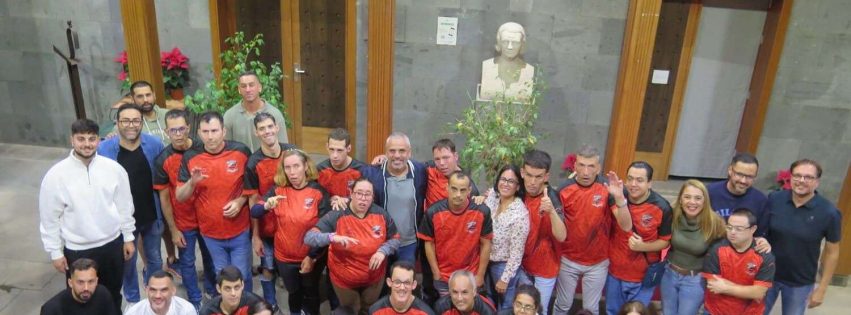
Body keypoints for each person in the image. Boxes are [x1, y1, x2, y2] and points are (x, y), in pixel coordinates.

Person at [39, 118, 135, 311]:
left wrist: (128, 237)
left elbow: (125, 206)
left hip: (112, 245)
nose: (87, 144)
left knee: (113, 294)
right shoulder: (55, 176)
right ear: (71, 140)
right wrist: (55, 252)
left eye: (91, 139)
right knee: (81, 298)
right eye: (81, 139)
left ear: (98, 140)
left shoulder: (114, 169)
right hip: (77, 250)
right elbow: (49, 218)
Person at [176, 111, 253, 292]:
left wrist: (240, 202)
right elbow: (180, 197)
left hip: (239, 229)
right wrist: (192, 182)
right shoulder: (190, 157)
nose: (210, 136)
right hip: (210, 233)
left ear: (223, 131)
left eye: (214, 131)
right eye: (205, 132)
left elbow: (253, 188)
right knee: (223, 277)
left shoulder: (241, 152)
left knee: (241, 275)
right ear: (200, 133)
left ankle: (246, 308)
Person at [97, 103, 165, 306]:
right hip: (123, 221)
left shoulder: (154, 144)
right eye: (125, 121)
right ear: (117, 123)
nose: (131, 125)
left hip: (152, 215)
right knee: (127, 263)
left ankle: (154, 296)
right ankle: (134, 302)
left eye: (136, 121)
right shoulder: (104, 149)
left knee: (155, 259)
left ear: (142, 123)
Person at [250, 149, 330, 315]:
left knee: (311, 293)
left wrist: (312, 257)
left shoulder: (318, 192)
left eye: (296, 166)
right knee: (293, 293)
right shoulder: (278, 191)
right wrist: (266, 206)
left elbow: (325, 231)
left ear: (305, 166)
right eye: (288, 167)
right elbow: (254, 212)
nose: (292, 172)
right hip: (284, 258)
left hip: (310, 257)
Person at [553, 145, 631, 315]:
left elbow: (626, 226)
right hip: (568, 259)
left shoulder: (607, 189)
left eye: (591, 166)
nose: (586, 172)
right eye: (581, 165)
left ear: (599, 167)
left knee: (591, 309)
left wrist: (619, 198)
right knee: (562, 305)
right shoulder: (564, 190)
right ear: (574, 166)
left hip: (598, 262)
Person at [305, 178, 401, 314]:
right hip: (344, 279)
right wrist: (331, 237)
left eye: (368, 194)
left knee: (369, 308)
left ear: (373, 197)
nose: (363, 198)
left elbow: (396, 238)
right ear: (351, 193)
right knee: (351, 310)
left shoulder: (381, 214)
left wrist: (383, 251)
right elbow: (309, 238)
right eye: (359, 193)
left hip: (374, 277)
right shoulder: (337, 214)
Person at [153, 109, 216, 310]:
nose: (178, 134)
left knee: (210, 258)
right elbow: (164, 198)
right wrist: (173, 229)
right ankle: (195, 300)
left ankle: (211, 291)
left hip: (207, 218)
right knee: (187, 262)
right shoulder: (163, 159)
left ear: (188, 128)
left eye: (182, 128)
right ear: (166, 132)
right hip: (183, 221)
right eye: (173, 130)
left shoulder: (203, 148)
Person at [764, 159, 841, 315]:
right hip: (766, 275)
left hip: (799, 282)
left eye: (808, 177)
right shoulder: (774, 199)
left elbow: (833, 253)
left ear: (817, 182)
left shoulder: (829, 212)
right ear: (790, 178)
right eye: (797, 176)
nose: (801, 181)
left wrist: (822, 289)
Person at [604, 162, 672, 315]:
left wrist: (643, 247)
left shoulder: (662, 207)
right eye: (630, 179)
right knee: (612, 311)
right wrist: (620, 199)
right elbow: (625, 225)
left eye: (640, 180)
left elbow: (665, 241)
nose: (633, 184)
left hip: (643, 276)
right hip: (616, 271)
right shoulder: (616, 196)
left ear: (649, 183)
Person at [244, 112, 296, 310]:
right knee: (267, 268)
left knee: (293, 268)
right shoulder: (253, 163)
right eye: (262, 129)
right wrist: (256, 236)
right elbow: (252, 201)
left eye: (269, 127)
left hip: (291, 226)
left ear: (277, 128)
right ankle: (270, 305)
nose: (267, 132)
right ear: (256, 133)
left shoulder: (292, 152)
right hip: (267, 228)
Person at [418, 172, 493, 296]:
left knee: (468, 309)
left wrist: (480, 275)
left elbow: (486, 244)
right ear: (447, 187)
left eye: (463, 190)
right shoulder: (433, 212)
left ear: (469, 190)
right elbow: (429, 244)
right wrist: (436, 273)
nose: (458, 194)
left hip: (471, 275)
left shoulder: (482, 211)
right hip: (444, 277)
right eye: (454, 189)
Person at [660, 180, 726, 315]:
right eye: (687, 197)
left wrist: (760, 242)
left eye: (698, 198)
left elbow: (730, 245)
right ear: (680, 199)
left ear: (705, 201)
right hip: (669, 273)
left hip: (694, 279)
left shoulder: (715, 222)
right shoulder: (671, 215)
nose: (692, 202)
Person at [363, 132, 428, 264]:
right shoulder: (372, 173)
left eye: (402, 151)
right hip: (381, 243)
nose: (397, 155)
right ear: (386, 153)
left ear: (409, 153)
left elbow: (444, 167)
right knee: (382, 283)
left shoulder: (420, 171)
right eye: (392, 151)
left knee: (404, 283)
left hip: (409, 244)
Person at [517, 150, 566, 315]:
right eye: (529, 175)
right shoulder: (519, 191)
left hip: (546, 268)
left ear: (546, 176)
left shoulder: (553, 197)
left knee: (538, 312)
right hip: (522, 266)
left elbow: (562, 236)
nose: (532, 181)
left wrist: (551, 211)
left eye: (538, 176)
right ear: (522, 172)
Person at [475, 165, 529, 309]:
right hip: (485, 261)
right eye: (503, 179)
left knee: (505, 306)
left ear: (518, 187)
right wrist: (481, 197)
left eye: (511, 181)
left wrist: (505, 279)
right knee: (488, 301)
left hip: (503, 266)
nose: (505, 183)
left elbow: (517, 253)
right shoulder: (493, 196)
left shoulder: (520, 214)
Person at [703, 208, 775, 315]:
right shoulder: (716, 249)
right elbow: (713, 284)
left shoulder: (764, 255)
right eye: (729, 227)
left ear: (753, 229)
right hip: (715, 310)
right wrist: (749, 291)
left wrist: (726, 288)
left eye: (739, 229)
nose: (732, 232)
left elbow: (759, 293)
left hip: (750, 312)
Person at [224, 71, 289, 152]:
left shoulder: (274, 114)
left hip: (266, 162)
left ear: (259, 87)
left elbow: (284, 148)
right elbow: (226, 149)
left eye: (251, 85)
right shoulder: (230, 116)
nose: (248, 90)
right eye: (243, 86)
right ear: (239, 90)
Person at [707, 153, 770, 236]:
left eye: (749, 176)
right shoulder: (710, 192)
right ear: (730, 170)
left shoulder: (760, 201)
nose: (743, 181)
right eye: (739, 174)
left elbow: (760, 235)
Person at [479, 22, 535, 102]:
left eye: (515, 42)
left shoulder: (528, 70)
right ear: (499, 42)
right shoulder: (487, 67)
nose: (510, 47)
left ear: (522, 44)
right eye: (505, 42)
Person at [41, 258, 119, 315]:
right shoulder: (52, 309)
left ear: (96, 281)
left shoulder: (103, 294)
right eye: (80, 282)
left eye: (91, 281)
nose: (86, 288)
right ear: (70, 283)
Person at [317, 128, 368, 210]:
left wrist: (348, 200)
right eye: (331, 149)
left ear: (349, 148)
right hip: (328, 214)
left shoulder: (362, 170)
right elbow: (315, 198)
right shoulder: (320, 170)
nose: (335, 155)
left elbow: (369, 198)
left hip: (353, 215)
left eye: (339, 150)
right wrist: (330, 199)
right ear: (327, 146)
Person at [424, 139, 480, 211]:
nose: (441, 163)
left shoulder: (468, 186)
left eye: (446, 158)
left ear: (456, 156)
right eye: (437, 159)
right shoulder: (428, 170)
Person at [369, 261, 436, 315]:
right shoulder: (375, 311)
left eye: (407, 283)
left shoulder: (426, 313)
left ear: (414, 285)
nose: (402, 287)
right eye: (397, 282)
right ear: (389, 282)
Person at [124, 270, 197, 315]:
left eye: (164, 290)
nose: (157, 296)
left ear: (173, 291)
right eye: (153, 290)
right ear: (146, 290)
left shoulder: (186, 310)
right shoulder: (134, 313)